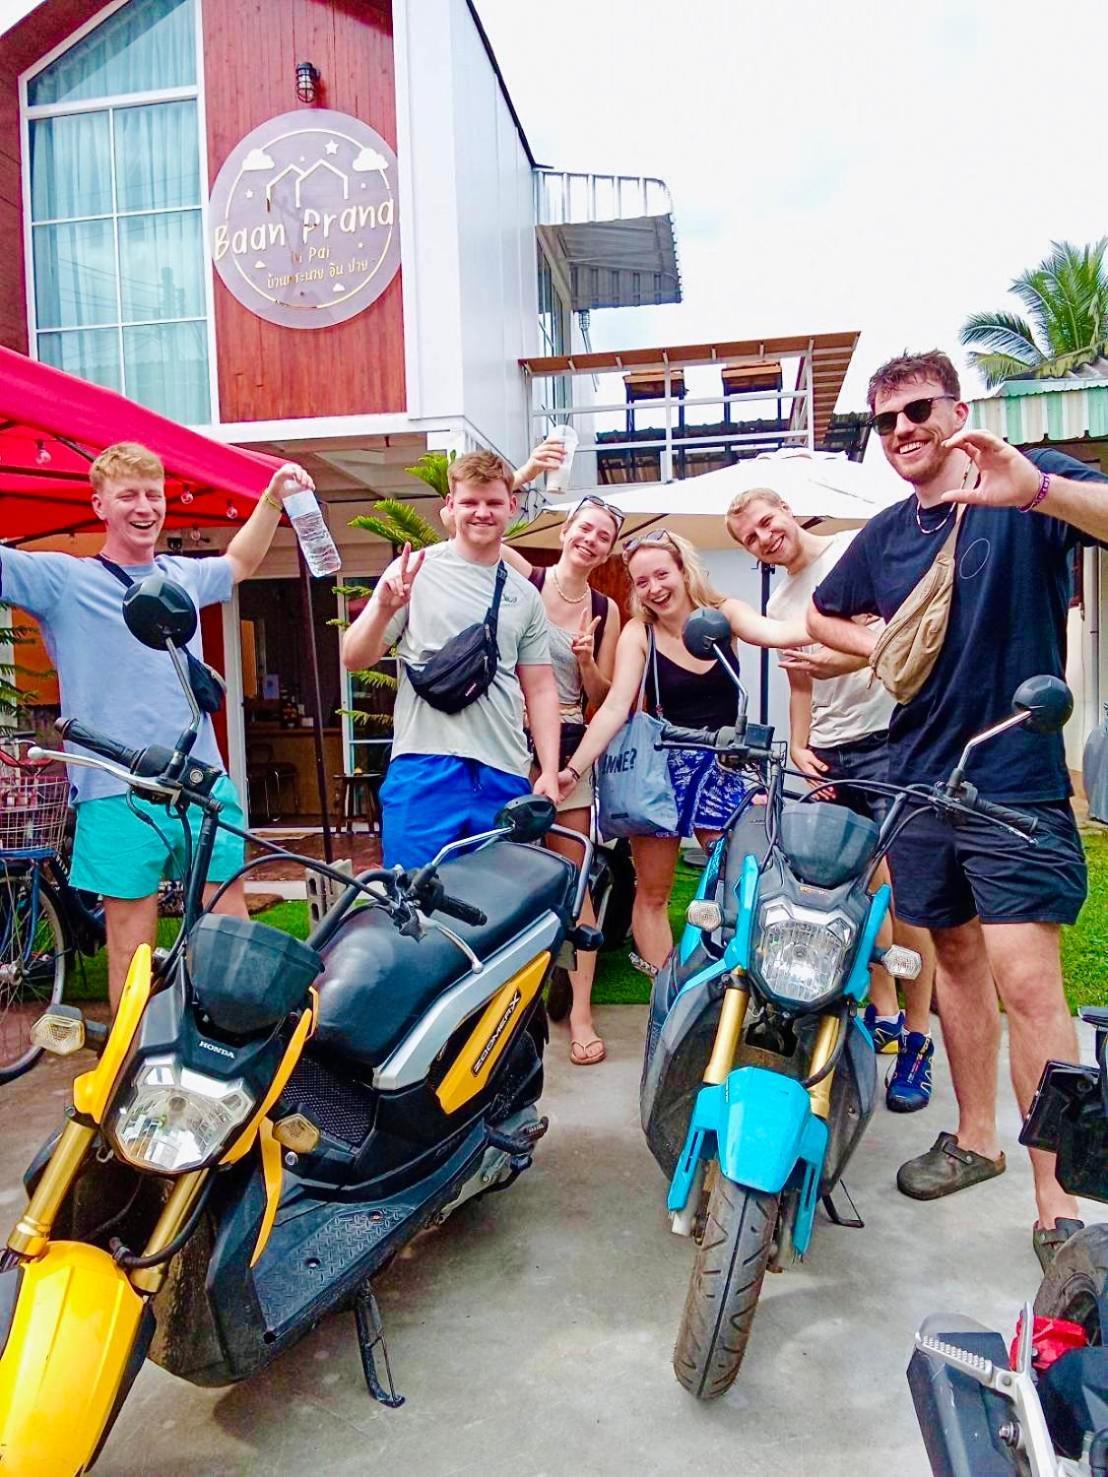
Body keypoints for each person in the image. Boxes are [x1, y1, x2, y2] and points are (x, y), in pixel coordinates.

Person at [807, 348, 1108, 1265]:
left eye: (919, 410)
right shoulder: (889, 530)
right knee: (958, 961)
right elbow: (823, 610)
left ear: (957, 408)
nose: (902, 431)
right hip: (920, 775)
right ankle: (974, 1136)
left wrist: (1035, 495)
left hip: (1012, 775)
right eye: (884, 420)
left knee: (1028, 981)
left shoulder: (1028, 483)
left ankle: (1059, 1199)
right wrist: (873, 642)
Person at [0, 439, 313, 1010]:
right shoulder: (63, 580)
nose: (144, 507)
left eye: (153, 495)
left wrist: (270, 499)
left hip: (201, 782)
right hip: (115, 791)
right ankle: (130, 1070)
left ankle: (232, 1058)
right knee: (131, 944)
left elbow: (240, 564)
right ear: (99, 505)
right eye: (127, 496)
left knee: (228, 929)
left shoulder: (180, 577)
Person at [726, 486, 937, 1112]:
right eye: (752, 539)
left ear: (789, 512)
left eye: (768, 523)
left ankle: (919, 1042)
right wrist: (799, 746)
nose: (766, 539)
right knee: (851, 893)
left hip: (891, 738)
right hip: (831, 752)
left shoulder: (851, 552)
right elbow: (800, 680)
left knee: (904, 894)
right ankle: (883, 1017)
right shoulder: (783, 598)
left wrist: (830, 656)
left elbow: (888, 636)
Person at [556, 528, 810, 974]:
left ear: (682, 570)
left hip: (725, 766)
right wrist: (573, 771)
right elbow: (616, 706)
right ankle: (668, 993)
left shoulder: (722, 613)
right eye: (641, 581)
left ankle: (733, 985)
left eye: (661, 574)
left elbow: (773, 632)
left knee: (745, 881)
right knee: (654, 892)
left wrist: (833, 624)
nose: (654, 588)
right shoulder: (641, 632)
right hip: (661, 767)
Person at [341, 449, 561, 871]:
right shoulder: (412, 572)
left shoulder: (525, 594)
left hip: (503, 772)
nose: (482, 513)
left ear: (512, 506)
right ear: (450, 507)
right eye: (470, 502)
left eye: (494, 502)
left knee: (500, 914)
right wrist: (385, 608)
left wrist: (547, 769)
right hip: (423, 766)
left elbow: (540, 686)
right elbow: (354, 657)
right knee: (413, 908)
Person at [497, 488, 622, 1066]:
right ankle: (512, 1013)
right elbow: (482, 530)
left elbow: (601, 697)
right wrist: (523, 478)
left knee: (575, 878)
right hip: (505, 738)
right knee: (509, 878)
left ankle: (579, 1013)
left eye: (602, 535)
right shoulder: (530, 577)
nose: (589, 539)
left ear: (607, 551)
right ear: (566, 529)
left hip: (570, 741)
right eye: (584, 527)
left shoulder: (605, 609)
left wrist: (590, 659)